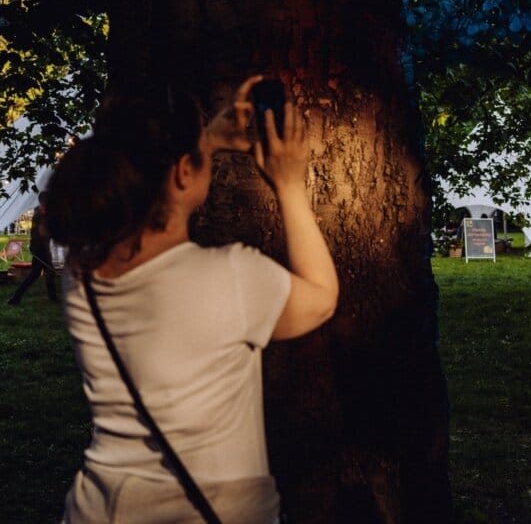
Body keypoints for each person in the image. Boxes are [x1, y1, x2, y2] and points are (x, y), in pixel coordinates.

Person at [46, 77, 338, 523]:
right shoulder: (231, 277)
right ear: (183, 171)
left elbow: (147, 159)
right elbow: (321, 298)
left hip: (99, 505)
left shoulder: (82, 275)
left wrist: (209, 139)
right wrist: (290, 185)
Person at [7, 191, 58, 304]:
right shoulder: (41, 214)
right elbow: (42, 232)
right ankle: (16, 298)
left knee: (40, 274)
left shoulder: (40, 212)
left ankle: (16, 298)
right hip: (41, 248)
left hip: (38, 247)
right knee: (43, 273)